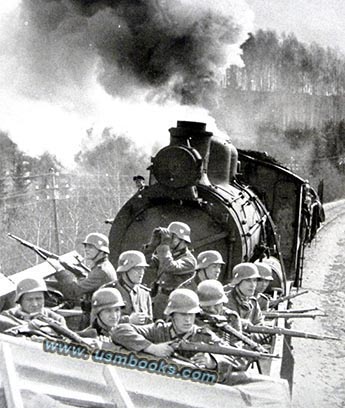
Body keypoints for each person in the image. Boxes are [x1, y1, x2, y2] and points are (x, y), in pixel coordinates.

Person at [111, 288, 235, 376]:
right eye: (183, 314)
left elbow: (235, 357)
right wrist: (152, 348)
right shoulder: (159, 330)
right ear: (172, 315)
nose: (188, 319)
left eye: (191, 314)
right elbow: (120, 330)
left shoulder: (204, 336)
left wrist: (212, 361)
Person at [51, 232, 117, 327]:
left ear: (102, 251)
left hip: (96, 320)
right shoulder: (102, 267)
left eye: (91, 247)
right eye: (86, 246)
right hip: (97, 316)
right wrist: (80, 275)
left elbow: (74, 292)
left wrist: (60, 272)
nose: (86, 249)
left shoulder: (101, 271)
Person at [144, 221, 197, 319]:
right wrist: (152, 245)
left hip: (178, 305)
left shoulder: (189, 260)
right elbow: (148, 263)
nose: (169, 239)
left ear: (181, 240)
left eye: (172, 237)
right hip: (161, 300)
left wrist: (164, 246)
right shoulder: (167, 255)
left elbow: (169, 267)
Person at [0, 277, 66, 337]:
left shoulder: (57, 319)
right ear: (20, 301)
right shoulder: (7, 316)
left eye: (39, 298)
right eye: (29, 299)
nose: (35, 304)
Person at [103, 250, 153, 325]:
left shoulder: (144, 293)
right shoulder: (109, 291)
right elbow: (102, 321)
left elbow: (150, 323)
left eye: (143, 269)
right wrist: (128, 320)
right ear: (125, 270)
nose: (141, 272)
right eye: (137, 268)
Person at [196, 280, 242, 347]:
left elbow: (237, 345)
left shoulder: (231, 317)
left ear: (222, 303)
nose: (212, 310)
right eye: (207, 307)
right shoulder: (195, 317)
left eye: (216, 305)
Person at [226, 263, 263, 328]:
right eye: (248, 280)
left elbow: (260, 326)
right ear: (238, 282)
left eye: (254, 280)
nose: (253, 285)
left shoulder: (253, 302)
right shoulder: (227, 301)